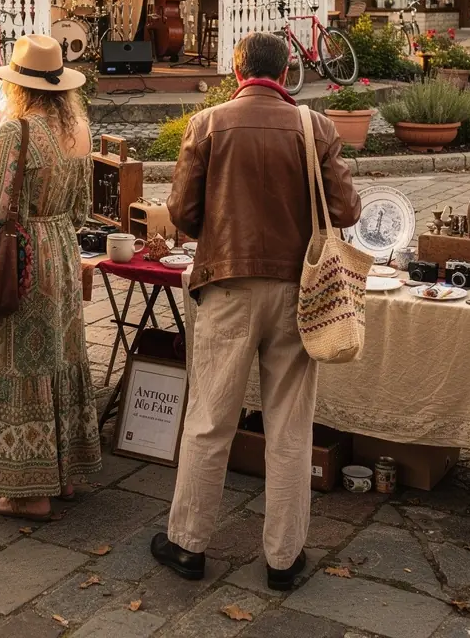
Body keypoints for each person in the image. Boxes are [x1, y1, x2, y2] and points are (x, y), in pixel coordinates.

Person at [151, 31, 360, 591]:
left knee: (209, 419)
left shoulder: (209, 124)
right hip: (299, 288)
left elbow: (182, 212)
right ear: (288, 69)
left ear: (238, 71)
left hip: (227, 285)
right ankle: (284, 560)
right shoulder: (313, 126)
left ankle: (189, 545)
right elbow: (346, 208)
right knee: (290, 426)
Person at [0, 34, 101, 520]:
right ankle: (61, 476)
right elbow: (83, 211)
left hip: (22, 260)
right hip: (62, 251)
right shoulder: (78, 131)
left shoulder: (15, 132)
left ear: (19, 86)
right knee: (60, 355)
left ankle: (26, 491)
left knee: (18, 361)